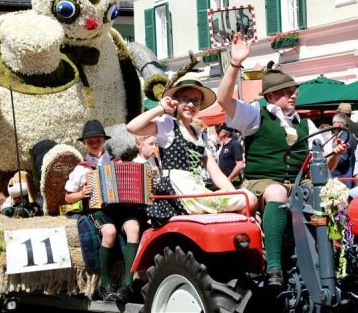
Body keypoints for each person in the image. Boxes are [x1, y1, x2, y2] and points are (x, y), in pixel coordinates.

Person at [217, 34, 347, 287]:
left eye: (293, 91)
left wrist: (336, 154)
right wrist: (234, 64)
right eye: (285, 92)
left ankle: (336, 257)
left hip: (299, 184)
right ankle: (274, 266)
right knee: (276, 191)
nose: (292, 95)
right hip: (262, 182)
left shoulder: (306, 124)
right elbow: (223, 100)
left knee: (333, 191)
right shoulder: (257, 115)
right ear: (271, 97)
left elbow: (323, 168)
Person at [126, 74, 257, 222]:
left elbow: (217, 174)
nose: (190, 105)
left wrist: (234, 195)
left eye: (195, 101)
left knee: (247, 197)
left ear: (200, 104)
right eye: (185, 99)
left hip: (197, 190)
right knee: (249, 197)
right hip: (179, 193)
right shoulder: (168, 125)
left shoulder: (199, 135)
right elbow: (132, 127)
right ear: (176, 101)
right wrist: (161, 108)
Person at [64, 120, 142, 302]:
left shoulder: (117, 162)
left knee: (134, 228)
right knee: (110, 231)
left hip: (120, 208)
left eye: (97, 140)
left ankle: (127, 283)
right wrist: (82, 193)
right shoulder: (81, 169)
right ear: (84, 143)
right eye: (90, 141)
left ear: (104, 141)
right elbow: (67, 198)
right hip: (97, 210)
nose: (94, 143)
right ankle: (105, 283)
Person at [330, 113, 357, 188]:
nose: (332, 126)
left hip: (342, 180)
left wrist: (328, 160)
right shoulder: (345, 135)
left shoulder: (345, 137)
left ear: (339, 124)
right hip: (342, 178)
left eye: (333, 123)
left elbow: (341, 160)